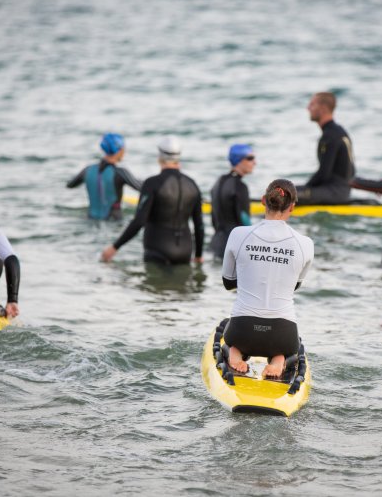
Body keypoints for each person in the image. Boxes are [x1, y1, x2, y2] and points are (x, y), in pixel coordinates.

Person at [221, 179, 314, 379]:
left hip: (241, 330)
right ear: (293, 207)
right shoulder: (305, 244)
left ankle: (235, 353)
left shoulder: (238, 234)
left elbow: (228, 283)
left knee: (231, 339)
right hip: (283, 334)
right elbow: (294, 286)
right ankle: (279, 358)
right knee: (285, 346)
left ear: (263, 200)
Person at [101, 137, 204, 264]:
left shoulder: (152, 183)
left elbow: (139, 222)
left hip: (158, 249)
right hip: (185, 251)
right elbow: (199, 225)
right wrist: (199, 255)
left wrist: (114, 248)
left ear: (159, 157)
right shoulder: (192, 184)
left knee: (153, 284)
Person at [296, 92, 356, 205]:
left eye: (312, 104)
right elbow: (352, 170)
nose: (308, 108)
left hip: (334, 193)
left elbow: (324, 173)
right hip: (341, 191)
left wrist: (306, 188)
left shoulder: (330, 136)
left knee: (285, 194)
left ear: (323, 108)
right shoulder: (339, 131)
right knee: (290, 190)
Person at [66, 132, 142, 220]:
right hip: (114, 222)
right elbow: (141, 187)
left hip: (91, 219)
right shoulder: (120, 173)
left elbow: (70, 185)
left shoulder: (87, 171)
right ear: (120, 150)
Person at [209, 144, 256, 259]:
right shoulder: (240, 187)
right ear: (239, 161)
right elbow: (245, 220)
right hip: (234, 245)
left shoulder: (218, 182)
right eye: (250, 158)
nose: (254, 162)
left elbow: (214, 218)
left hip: (216, 243)